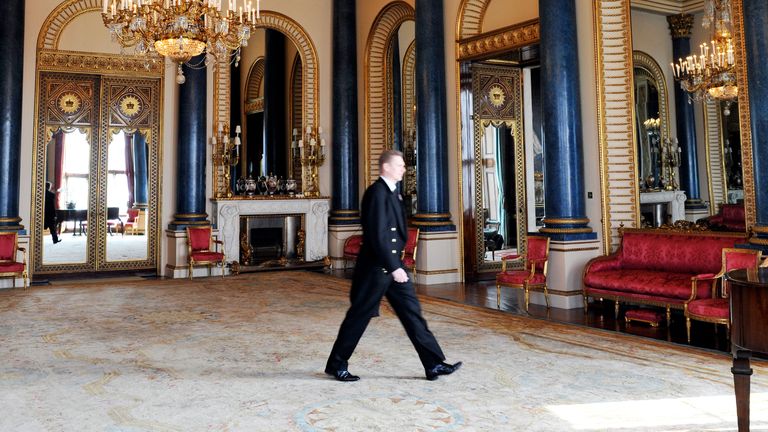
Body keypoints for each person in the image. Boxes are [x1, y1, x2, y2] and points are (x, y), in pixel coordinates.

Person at [325, 150, 461, 382]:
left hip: (392, 265)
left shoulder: (392, 193)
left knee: (412, 314)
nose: (404, 169)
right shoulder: (376, 193)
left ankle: (434, 364)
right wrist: (394, 267)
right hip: (376, 269)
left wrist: (396, 265)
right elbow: (377, 235)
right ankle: (337, 365)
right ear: (386, 167)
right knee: (359, 317)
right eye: (400, 165)